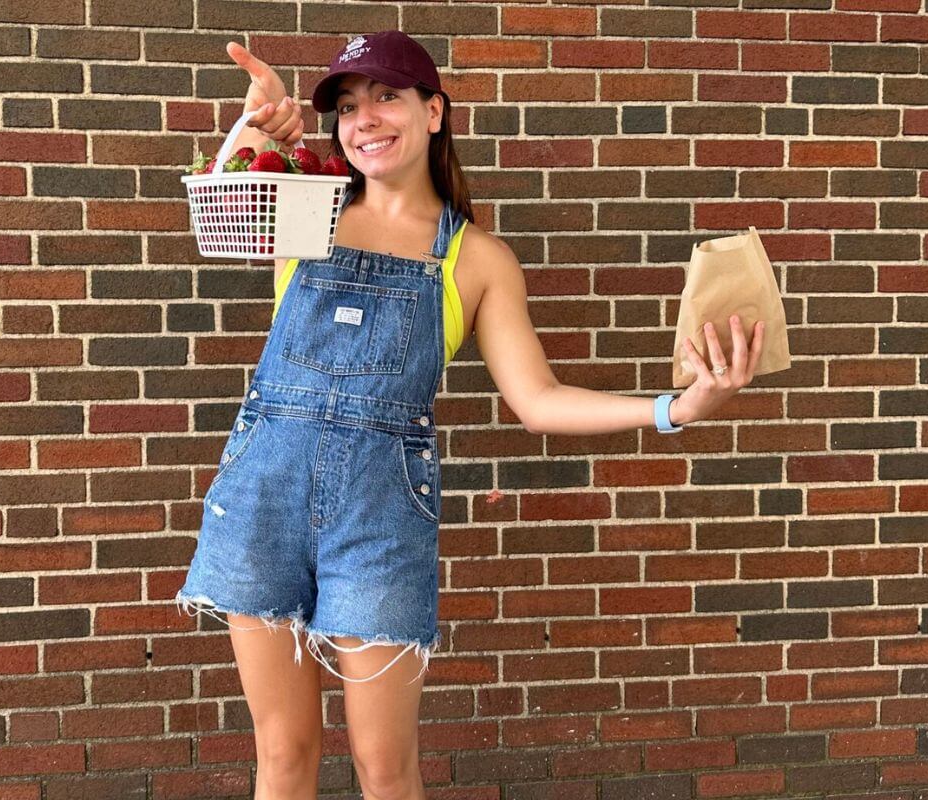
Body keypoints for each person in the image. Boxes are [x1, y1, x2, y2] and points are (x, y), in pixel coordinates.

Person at [175, 30, 767, 799]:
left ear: (433, 112)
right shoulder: (305, 205)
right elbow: (224, 200)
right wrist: (254, 132)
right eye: (348, 108)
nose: (365, 120)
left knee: (385, 768)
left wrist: (675, 407)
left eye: (387, 96)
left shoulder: (478, 259)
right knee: (284, 753)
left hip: (378, 518)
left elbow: (538, 400)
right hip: (261, 499)